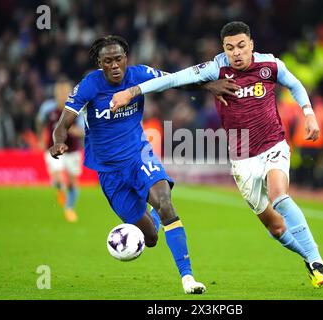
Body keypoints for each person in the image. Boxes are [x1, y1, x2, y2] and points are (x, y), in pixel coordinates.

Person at [111, 21, 323, 288]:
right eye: (230, 48)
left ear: (251, 44)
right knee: (275, 227)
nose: (236, 53)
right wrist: (132, 91)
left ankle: (317, 260)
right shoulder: (216, 69)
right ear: (223, 49)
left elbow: (295, 85)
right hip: (242, 159)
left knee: (280, 196)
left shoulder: (271, 65)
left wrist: (308, 113)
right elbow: (172, 79)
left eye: (241, 46)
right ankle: (307, 258)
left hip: (274, 146)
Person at [49, 35, 236, 294]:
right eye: (108, 61)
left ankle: (188, 278)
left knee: (166, 204)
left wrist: (208, 86)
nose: (114, 66)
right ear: (99, 64)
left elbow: (176, 81)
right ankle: (153, 212)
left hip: (139, 156)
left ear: (126, 59)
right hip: (109, 172)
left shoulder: (139, 75)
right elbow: (62, 124)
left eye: (118, 59)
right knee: (150, 238)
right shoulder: (89, 86)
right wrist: (58, 142)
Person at [37, 76, 84, 222]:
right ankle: (60, 189)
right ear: (55, 92)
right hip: (54, 149)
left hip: (72, 150)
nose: (62, 95)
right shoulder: (47, 107)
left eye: (64, 92)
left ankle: (69, 208)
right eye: (59, 91)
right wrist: (40, 138)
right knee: (58, 177)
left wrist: (67, 129)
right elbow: (39, 121)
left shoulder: (77, 109)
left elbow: (83, 131)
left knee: (72, 183)